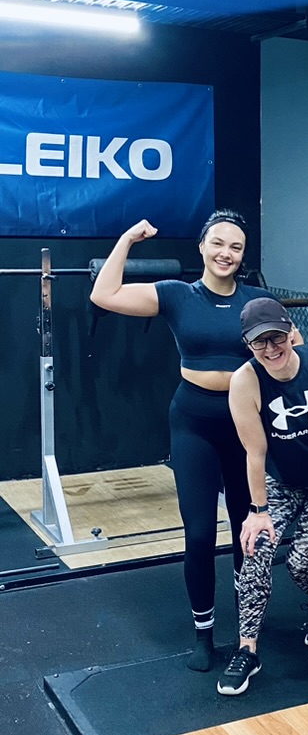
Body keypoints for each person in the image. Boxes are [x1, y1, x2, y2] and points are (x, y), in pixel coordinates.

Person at [90, 212, 290, 672]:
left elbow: (290, 355)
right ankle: (204, 634)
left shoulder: (257, 301)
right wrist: (128, 239)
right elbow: (104, 294)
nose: (226, 253)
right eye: (218, 243)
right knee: (199, 534)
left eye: (236, 247)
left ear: (243, 255)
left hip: (245, 425)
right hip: (193, 422)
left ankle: (246, 631)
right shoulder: (177, 294)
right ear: (202, 246)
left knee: (247, 533)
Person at [217, 297, 308, 695]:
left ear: (291, 332)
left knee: (301, 563)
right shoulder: (245, 382)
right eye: (259, 342)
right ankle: (247, 650)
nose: (270, 349)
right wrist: (258, 512)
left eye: (276, 337)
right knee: (255, 551)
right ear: (248, 345)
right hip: (282, 482)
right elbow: (255, 453)